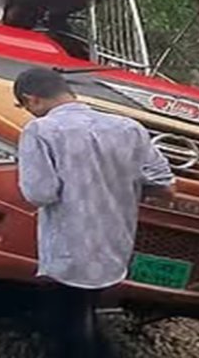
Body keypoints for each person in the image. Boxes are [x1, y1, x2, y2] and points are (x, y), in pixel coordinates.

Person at [13, 67, 174, 358]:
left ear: (31, 99)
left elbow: (40, 193)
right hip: (115, 246)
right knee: (86, 313)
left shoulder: (41, 130)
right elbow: (165, 185)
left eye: (26, 106)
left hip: (69, 248)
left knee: (67, 328)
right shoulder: (128, 127)